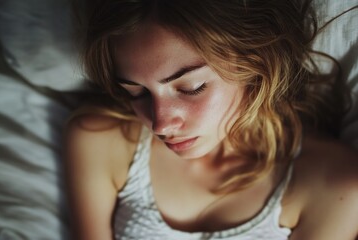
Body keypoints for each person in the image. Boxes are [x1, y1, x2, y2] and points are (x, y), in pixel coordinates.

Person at [64, 0, 358, 239]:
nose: (160, 124)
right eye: (137, 92)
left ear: (256, 62)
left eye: (191, 88)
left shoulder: (333, 186)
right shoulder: (100, 141)